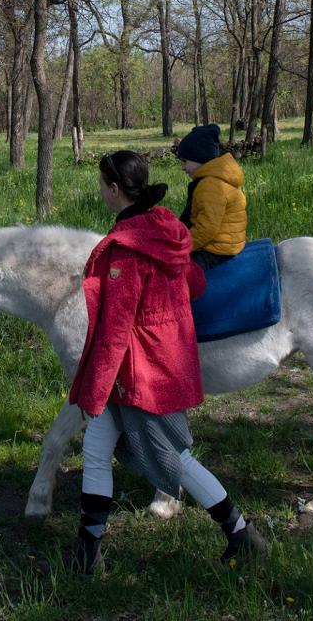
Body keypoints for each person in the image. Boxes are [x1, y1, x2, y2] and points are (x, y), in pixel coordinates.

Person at [66, 150, 269, 574]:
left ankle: (240, 533)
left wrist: (95, 390)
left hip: (142, 374)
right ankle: (87, 552)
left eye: (102, 184)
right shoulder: (167, 231)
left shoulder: (125, 249)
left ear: (115, 189)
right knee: (97, 448)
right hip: (159, 361)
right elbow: (194, 281)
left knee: (177, 459)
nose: (100, 190)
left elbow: (114, 330)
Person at [175, 124, 247, 272]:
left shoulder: (210, 185)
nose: (182, 167)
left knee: (182, 276)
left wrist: (182, 247)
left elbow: (207, 229)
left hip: (216, 249)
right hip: (225, 242)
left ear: (199, 158)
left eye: (185, 161)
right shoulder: (214, 179)